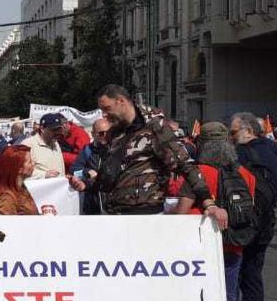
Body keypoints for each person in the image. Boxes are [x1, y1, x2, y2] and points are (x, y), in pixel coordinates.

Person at [174, 122, 256, 301]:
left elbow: (181, 211)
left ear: (202, 145)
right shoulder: (245, 174)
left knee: (196, 294)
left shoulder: (198, 173)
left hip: (199, 244)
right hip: (233, 243)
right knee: (229, 293)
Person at [94, 84, 226, 223]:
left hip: (145, 218)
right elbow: (114, 173)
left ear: (121, 101)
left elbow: (185, 164)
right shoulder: (115, 132)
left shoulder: (155, 126)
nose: (104, 114)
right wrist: (87, 183)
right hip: (113, 215)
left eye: (107, 108)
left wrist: (208, 203)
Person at [229, 112, 277, 301]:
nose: (231, 137)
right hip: (267, 222)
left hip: (243, 223)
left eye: (233, 132)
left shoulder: (241, 154)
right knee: (253, 278)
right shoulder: (273, 151)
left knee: (235, 275)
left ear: (248, 131)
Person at [71, 118, 112, 215]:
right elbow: (74, 171)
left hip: (113, 203)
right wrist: (86, 172)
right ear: (93, 134)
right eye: (101, 133)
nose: (105, 136)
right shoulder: (87, 150)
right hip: (93, 203)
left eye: (108, 132)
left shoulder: (117, 149)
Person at [0, 145, 38, 215]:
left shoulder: (21, 188)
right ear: (19, 168)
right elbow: (5, 225)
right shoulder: (7, 199)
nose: (33, 164)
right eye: (29, 162)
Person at [22, 113, 66, 179]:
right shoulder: (27, 144)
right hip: (38, 188)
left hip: (58, 187)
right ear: (42, 129)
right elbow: (21, 171)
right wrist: (44, 175)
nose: (57, 133)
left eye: (59, 129)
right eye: (53, 130)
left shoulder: (56, 144)